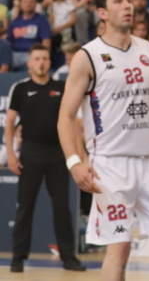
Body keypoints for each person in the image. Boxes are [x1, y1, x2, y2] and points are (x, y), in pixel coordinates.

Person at [57, 0, 149, 281]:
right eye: (118, 1)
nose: (127, 5)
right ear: (102, 12)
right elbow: (65, 116)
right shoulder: (88, 56)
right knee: (120, 249)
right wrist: (75, 163)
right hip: (110, 164)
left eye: (129, 0)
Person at [5, 44, 88, 272]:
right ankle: (18, 258)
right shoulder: (20, 88)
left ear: (49, 62)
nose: (41, 62)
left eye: (44, 58)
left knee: (62, 208)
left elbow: (74, 121)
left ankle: (69, 257)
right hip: (30, 152)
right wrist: (11, 153)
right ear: (29, 63)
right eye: (37, 59)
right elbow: (10, 123)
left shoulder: (62, 87)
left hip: (58, 153)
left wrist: (79, 155)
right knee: (25, 208)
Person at [9, 0, 52, 70]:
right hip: (14, 54)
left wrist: (43, 57)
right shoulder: (15, 21)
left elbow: (46, 41)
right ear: (20, 4)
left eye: (31, 2)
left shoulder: (41, 20)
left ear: (35, 4)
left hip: (32, 54)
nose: (28, 4)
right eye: (25, 2)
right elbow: (9, 41)